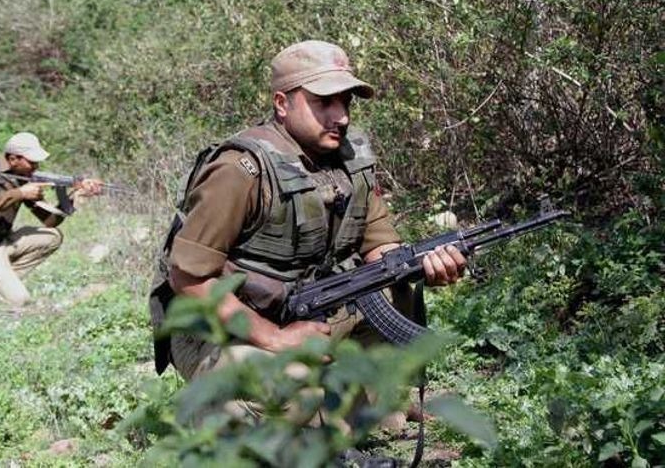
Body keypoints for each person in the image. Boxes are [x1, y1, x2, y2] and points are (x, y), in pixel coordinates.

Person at [149, 39, 466, 401]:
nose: (341, 117)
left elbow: (380, 249)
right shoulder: (241, 170)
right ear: (281, 103)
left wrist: (422, 264)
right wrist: (276, 338)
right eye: (324, 102)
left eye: (346, 102)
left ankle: (357, 406)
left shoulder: (351, 161)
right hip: (220, 328)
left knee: (393, 289)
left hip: (305, 312)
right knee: (283, 385)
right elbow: (188, 278)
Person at [0, 132, 102, 306]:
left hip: (1, 243)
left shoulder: (22, 177)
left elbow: (50, 221)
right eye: (32, 162)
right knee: (20, 299)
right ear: (13, 159)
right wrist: (20, 193)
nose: (36, 166)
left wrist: (76, 196)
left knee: (53, 236)